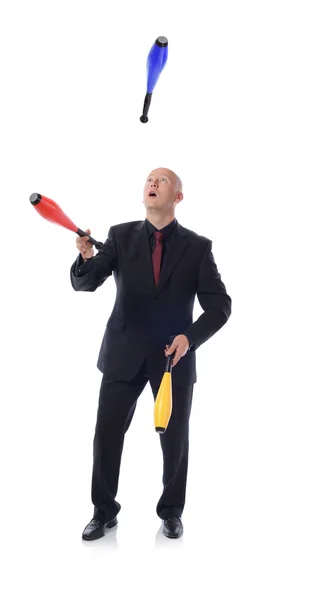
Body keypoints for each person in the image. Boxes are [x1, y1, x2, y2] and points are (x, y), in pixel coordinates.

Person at [70, 167, 232, 540]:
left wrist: (189, 339)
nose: (153, 183)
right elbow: (88, 282)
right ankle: (103, 511)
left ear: (178, 196)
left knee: (175, 440)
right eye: (149, 179)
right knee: (106, 435)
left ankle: (172, 512)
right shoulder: (120, 236)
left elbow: (220, 306)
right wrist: (85, 258)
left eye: (162, 180)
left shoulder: (198, 247)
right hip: (122, 353)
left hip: (172, 359)